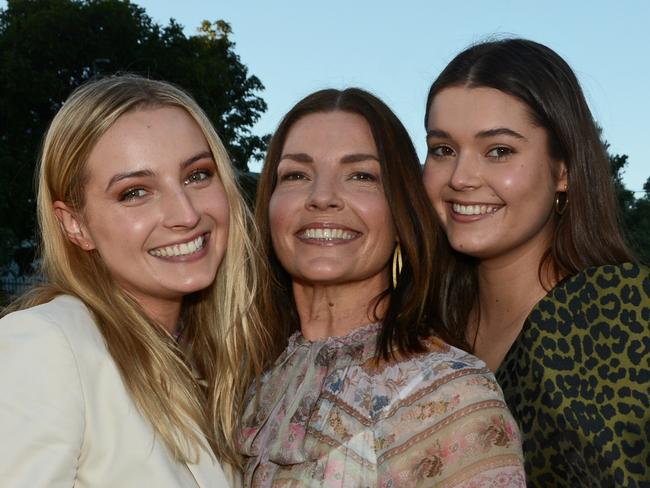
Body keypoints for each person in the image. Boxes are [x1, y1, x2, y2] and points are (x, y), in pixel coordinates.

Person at [238, 88, 525, 487]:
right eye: (296, 175)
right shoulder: (243, 379)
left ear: (400, 210)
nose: (322, 197)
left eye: (361, 176)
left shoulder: (450, 392)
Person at [0, 75, 273, 487]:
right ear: (75, 225)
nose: (184, 213)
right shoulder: (45, 346)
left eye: (197, 175)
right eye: (135, 192)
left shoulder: (211, 367)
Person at [422, 38, 650, 487]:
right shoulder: (430, 328)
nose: (461, 177)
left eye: (499, 150)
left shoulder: (610, 310)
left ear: (562, 169)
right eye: (443, 149)